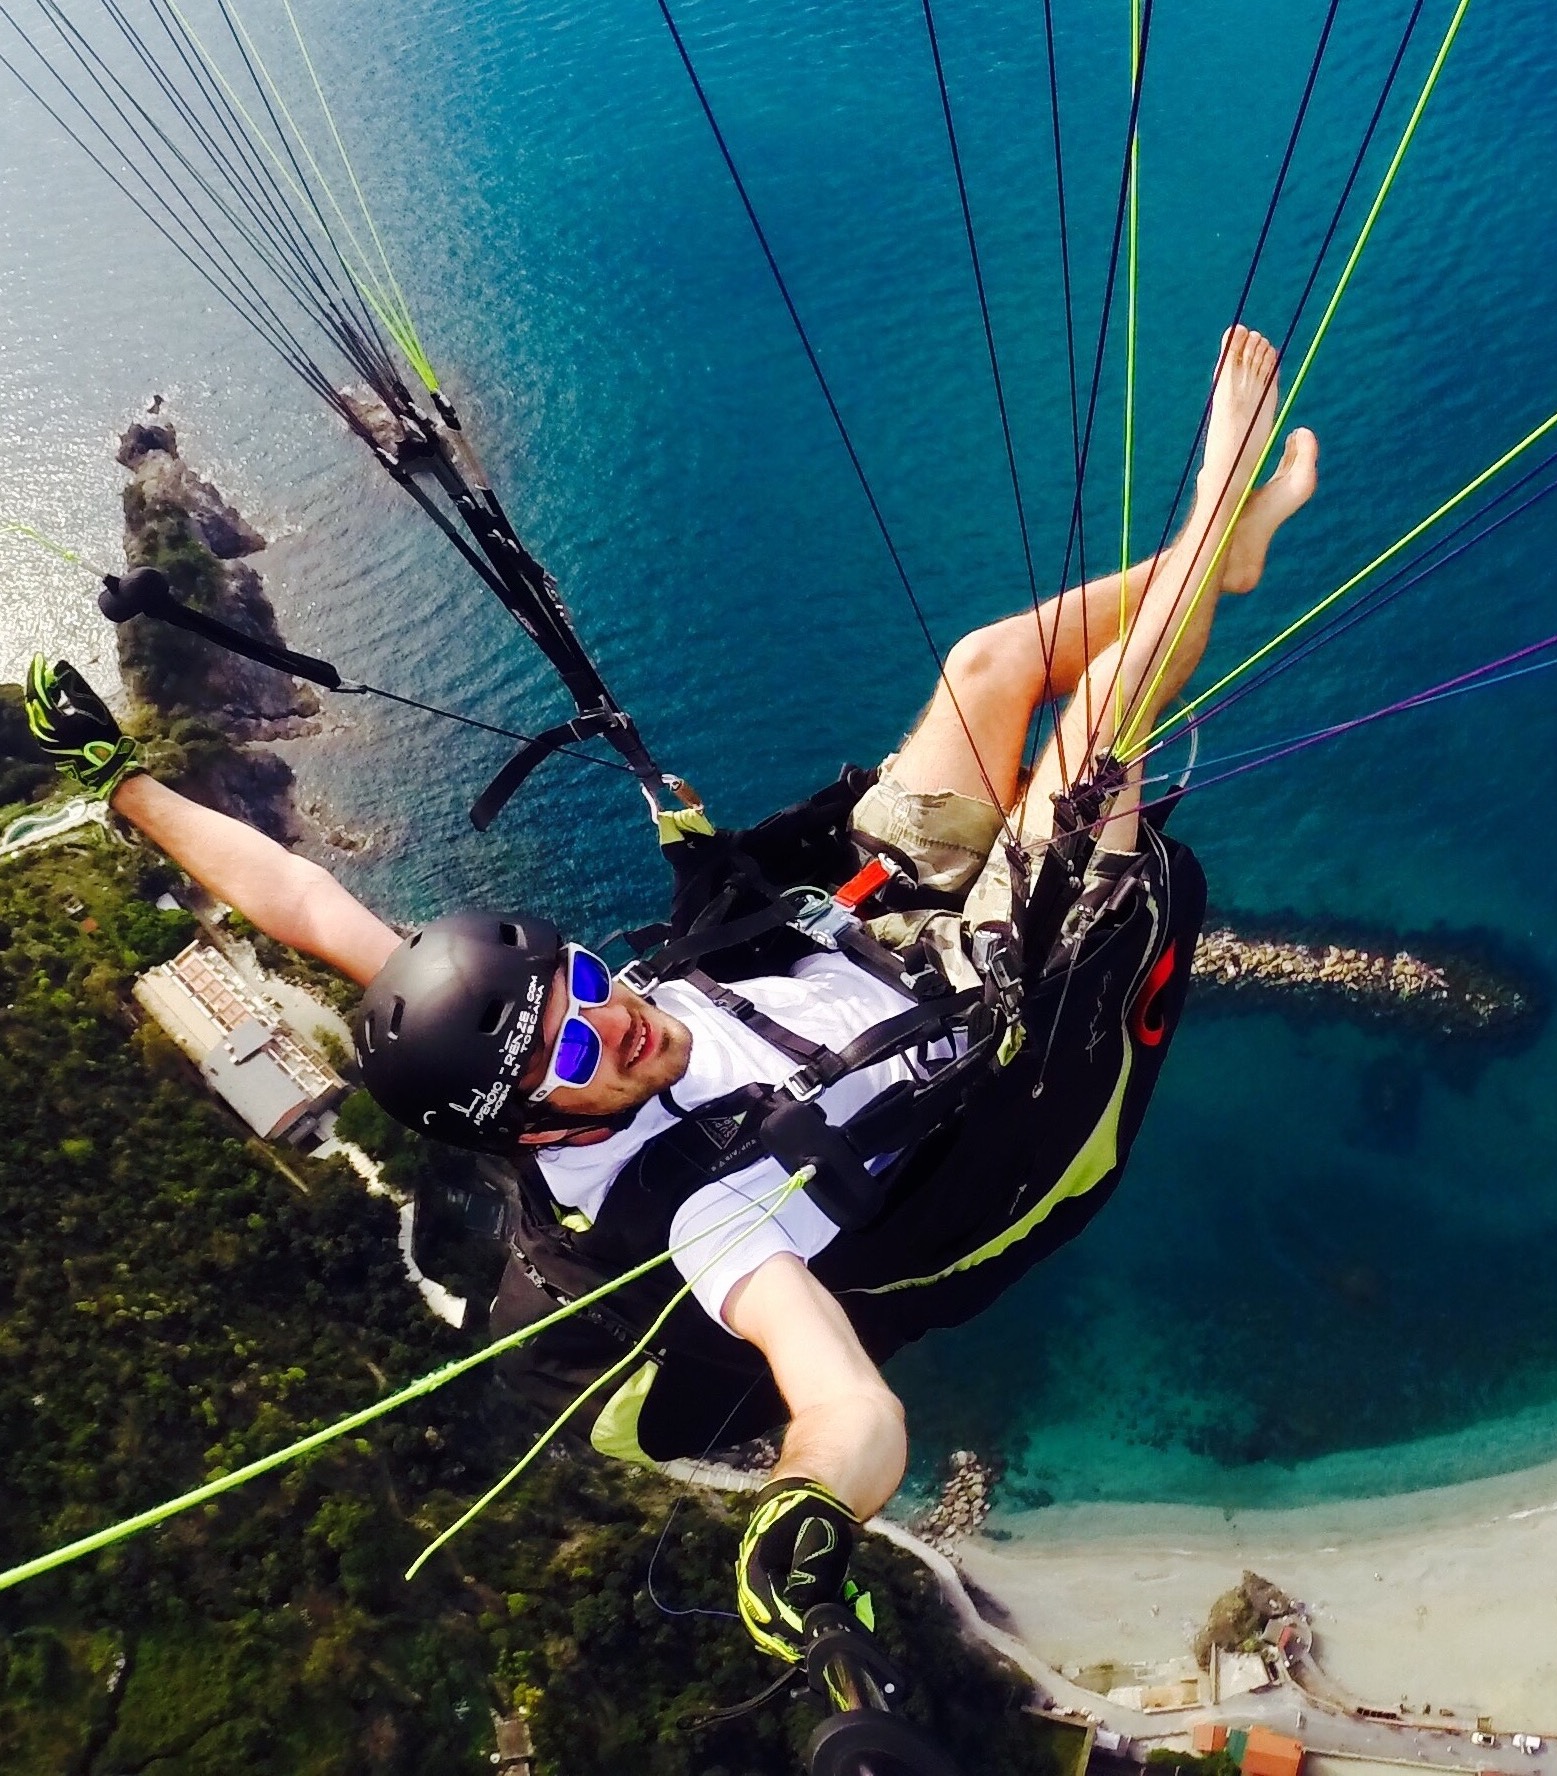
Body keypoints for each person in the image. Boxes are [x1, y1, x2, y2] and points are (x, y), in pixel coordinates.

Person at [26, 325, 1316, 1663]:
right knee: (1106, 708)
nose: (610, 1011)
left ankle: (1212, 564)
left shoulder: (496, 1018)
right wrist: (808, 1507)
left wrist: (122, 783)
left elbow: (302, 903)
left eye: (578, 974)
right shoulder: (703, 1220)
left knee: (990, 667)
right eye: (575, 1043)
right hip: (987, 1004)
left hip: (858, 915)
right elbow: (847, 1410)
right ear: (533, 1126)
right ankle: (1213, 511)